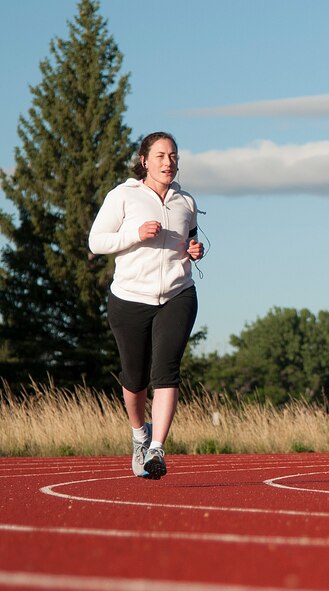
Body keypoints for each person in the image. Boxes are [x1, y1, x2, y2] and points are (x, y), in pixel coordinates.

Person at [89, 131, 204, 480]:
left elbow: (193, 237)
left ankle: (156, 449)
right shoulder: (123, 196)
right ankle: (140, 433)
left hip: (177, 295)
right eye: (160, 156)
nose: (168, 162)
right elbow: (97, 241)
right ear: (144, 161)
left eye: (173, 156)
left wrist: (196, 250)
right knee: (135, 378)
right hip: (129, 298)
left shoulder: (186, 201)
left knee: (166, 370)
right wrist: (136, 234)